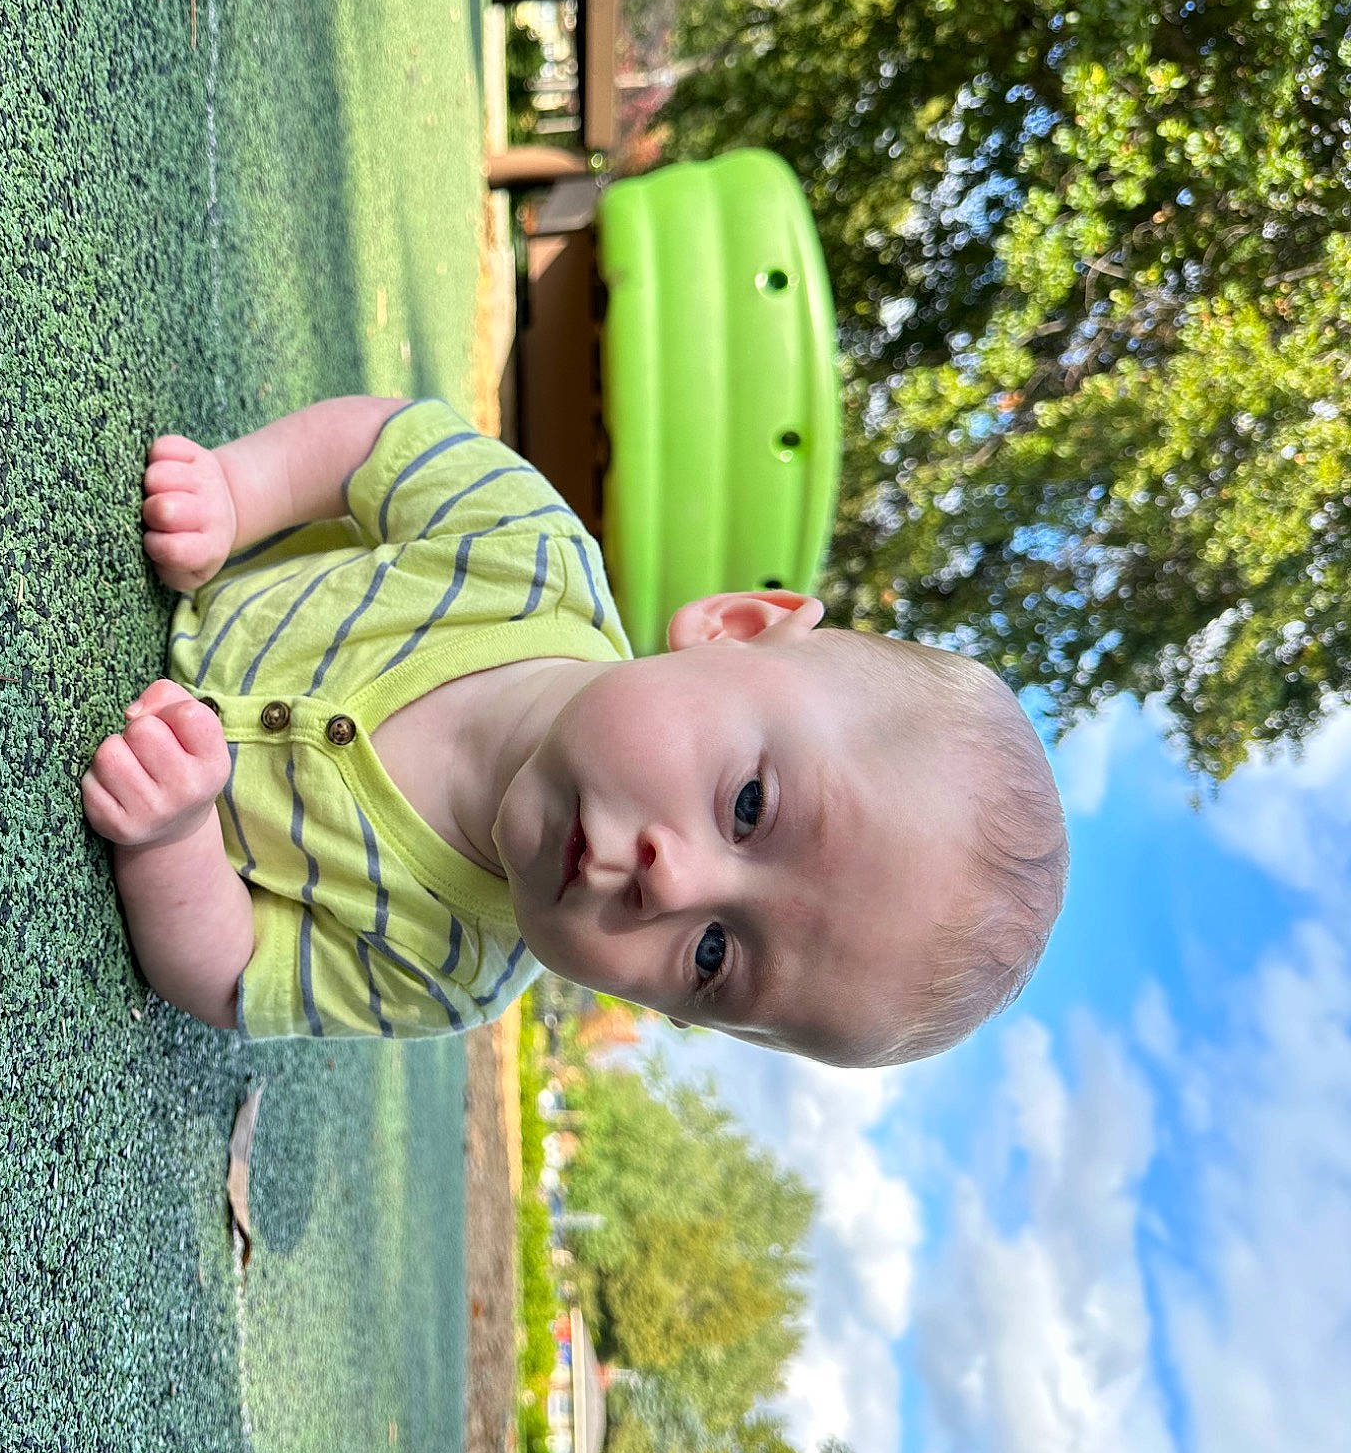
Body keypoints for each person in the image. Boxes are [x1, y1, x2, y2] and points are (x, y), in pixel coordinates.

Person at [79, 397, 1068, 1066]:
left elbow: (234, 975)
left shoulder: (448, 971)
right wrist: (237, 491)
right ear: (734, 628)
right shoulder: (529, 554)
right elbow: (379, 447)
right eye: (749, 806)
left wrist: (175, 840)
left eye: (713, 957)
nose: (673, 885)